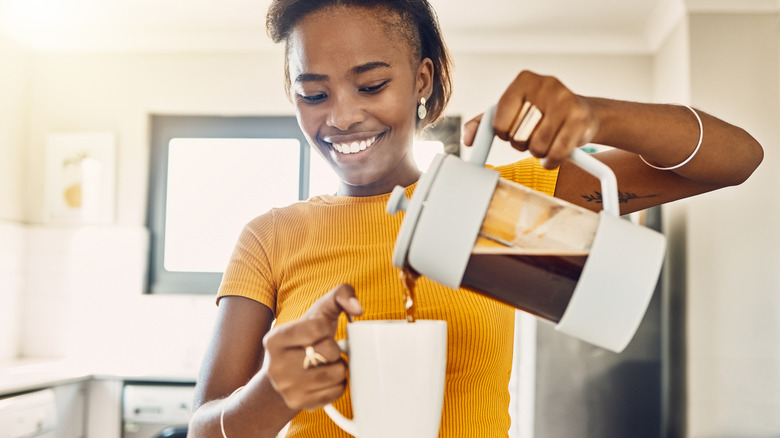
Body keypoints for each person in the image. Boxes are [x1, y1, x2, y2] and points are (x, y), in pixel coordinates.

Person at [188, 0, 764, 437]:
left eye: (371, 85)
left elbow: (736, 159)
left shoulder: (499, 203)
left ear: (423, 80)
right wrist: (272, 393)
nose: (342, 117)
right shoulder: (270, 238)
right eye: (313, 95)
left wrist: (596, 117)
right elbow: (202, 429)